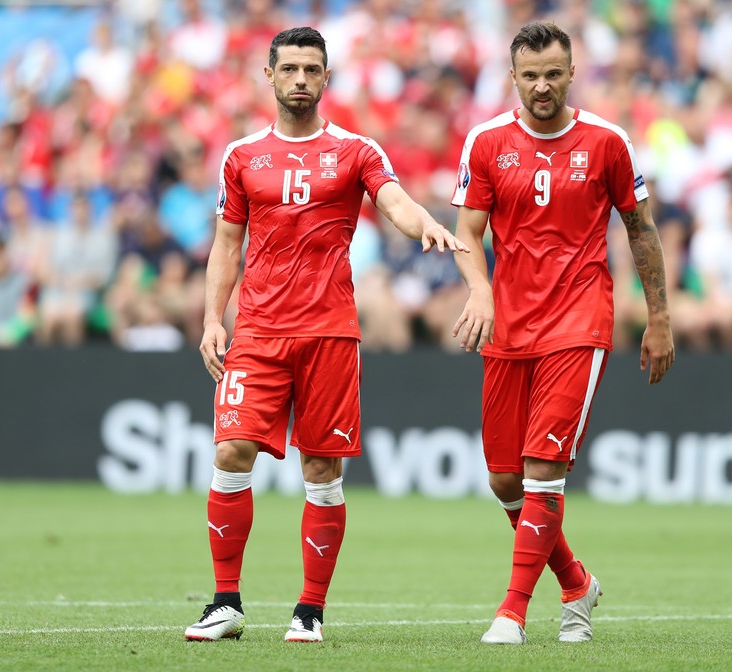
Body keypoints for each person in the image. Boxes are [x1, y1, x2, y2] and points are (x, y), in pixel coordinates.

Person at [185, 26, 468, 644]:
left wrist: (425, 224)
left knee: (321, 467)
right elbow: (227, 245)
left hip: (329, 332)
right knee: (231, 451)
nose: (301, 80)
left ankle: (309, 610)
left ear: (327, 77)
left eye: (312, 69)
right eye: (289, 69)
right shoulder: (241, 156)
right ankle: (225, 602)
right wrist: (213, 318)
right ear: (270, 76)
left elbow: (393, 201)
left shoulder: (356, 150)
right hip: (257, 331)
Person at [450, 22, 674, 645]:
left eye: (553, 73)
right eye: (530, 75)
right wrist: (479, 290)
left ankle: (513, 611)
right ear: (513, 76)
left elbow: (641, 228)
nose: (542, 86)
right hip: (509, 324)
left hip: (579, 321)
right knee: (503, 478)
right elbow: (468, 232)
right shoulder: (487, 141)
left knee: (543, 466)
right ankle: (576, 583)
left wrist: (657, 317)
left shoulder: (607, 141)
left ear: (572, 72)